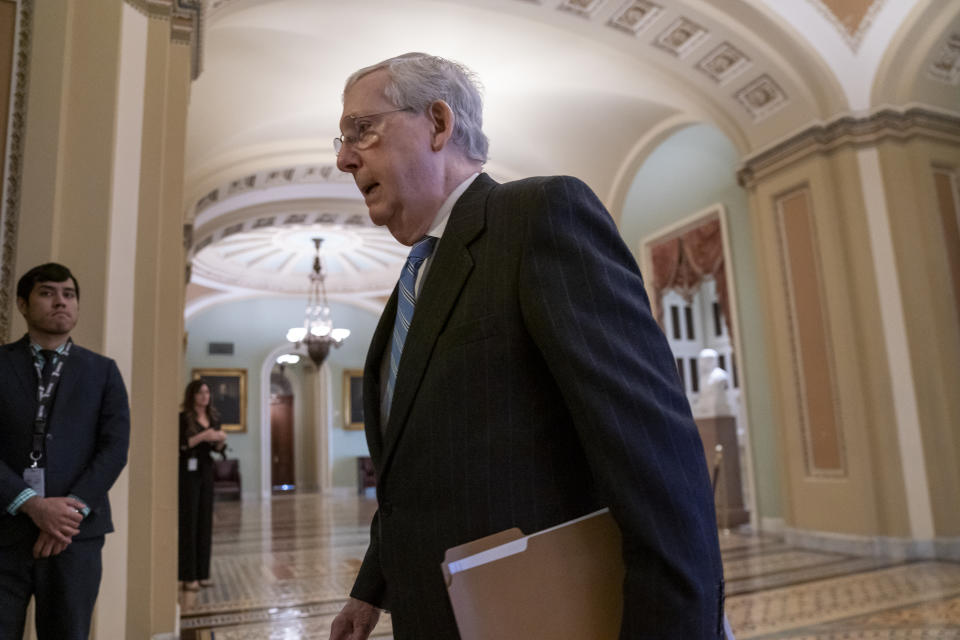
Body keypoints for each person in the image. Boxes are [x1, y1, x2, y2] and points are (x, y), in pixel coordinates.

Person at [329, 53, 725, 639]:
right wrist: (372, 589)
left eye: (362, 130)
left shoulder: (538, 216)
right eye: (341, 139)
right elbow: (417, 471)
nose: (343, 158)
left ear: (439, 123)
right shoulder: (418, 280)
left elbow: (656, 460)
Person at [0, 263, 130, 639]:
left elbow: (114, 448)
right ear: (23, 304)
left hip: (75, 537)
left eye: (68, 294)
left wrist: (68, 513)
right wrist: (30, 503)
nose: (61, 301)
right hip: (6, 529)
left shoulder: (103, 371)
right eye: (47, 292)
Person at [178, 378, 227, 591]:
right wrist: (204, 435)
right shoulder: (184, 418)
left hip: (206, 470)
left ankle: (203, 573)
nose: (205, 396)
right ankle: (189, 576)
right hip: (188, 472)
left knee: (205, 521)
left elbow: (217, 449)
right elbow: (182, 444)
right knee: (190, 521)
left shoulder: (213, 417)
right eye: (200, 393)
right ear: (193, 396)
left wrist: (220, 440)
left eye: (207, 392)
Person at [693, 348, 734, 418]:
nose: (701, 363)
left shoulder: (720, 375)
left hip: (716, 405)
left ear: (711, 360)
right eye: (701, 360)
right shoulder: (703, 377)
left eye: (703, 360)